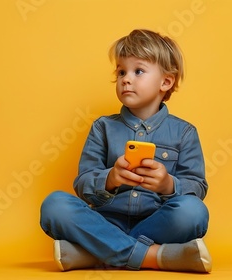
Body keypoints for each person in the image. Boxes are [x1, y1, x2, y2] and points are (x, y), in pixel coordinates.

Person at [39, 29, 212, 273]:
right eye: (121, 71)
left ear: (166, 82)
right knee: (54, 205)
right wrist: (109, 179)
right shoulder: (103, 127)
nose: (126, 79)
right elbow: (83, 182)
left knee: (194, 212)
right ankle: (154, 256)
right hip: (104, 221)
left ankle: (98, 252)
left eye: (138, 71)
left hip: (157, 223)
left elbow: (197, 186)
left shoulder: (184, 133)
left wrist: (167, 185)